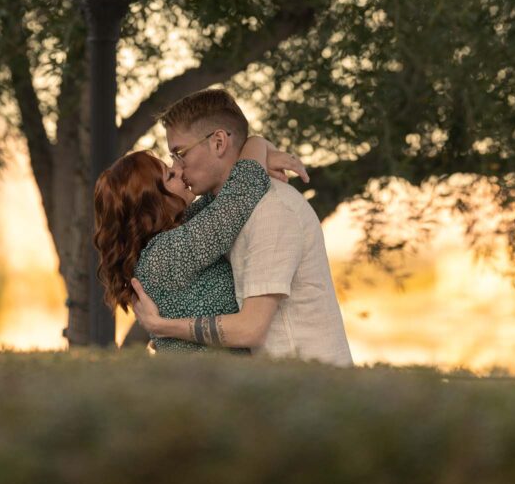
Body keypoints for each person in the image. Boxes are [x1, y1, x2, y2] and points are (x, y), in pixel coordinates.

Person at [132, 88, 353, 365]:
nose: (177, 167)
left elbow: (251, 329)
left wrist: (165, 327)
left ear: (218, 142)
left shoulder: (271, 210)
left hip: (309, 390)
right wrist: (260, 148)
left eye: (180, 153)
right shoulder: (223, 210)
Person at [94, 129, 307, 353]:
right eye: (170, 175)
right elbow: (241, 192)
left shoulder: (175, 235)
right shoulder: (166, 255)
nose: (179, 168)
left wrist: (263, 156)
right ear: (152, 207)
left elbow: (225, 187)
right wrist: (257, 143)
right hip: (209, 383)